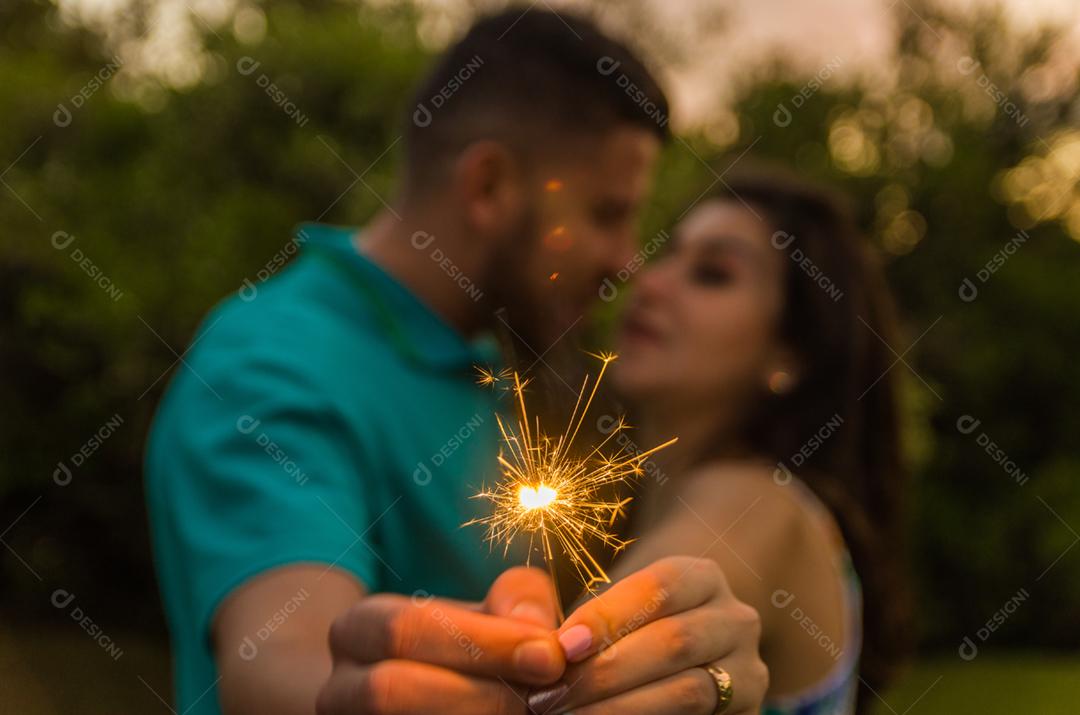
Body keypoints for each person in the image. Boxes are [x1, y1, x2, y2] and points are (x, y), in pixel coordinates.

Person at [145, 8, 767, 715]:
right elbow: (282, 663)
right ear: (489, 187)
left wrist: (696, 678)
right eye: (605, 213)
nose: (628, 260)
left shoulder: (486, 358)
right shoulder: (269, 360)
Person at [536, 169, 910, 714]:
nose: (649, 281)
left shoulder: (760, 499)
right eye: (668, 256)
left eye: (712, 274)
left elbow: (640, 615)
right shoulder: (640, 506)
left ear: (789, 356)